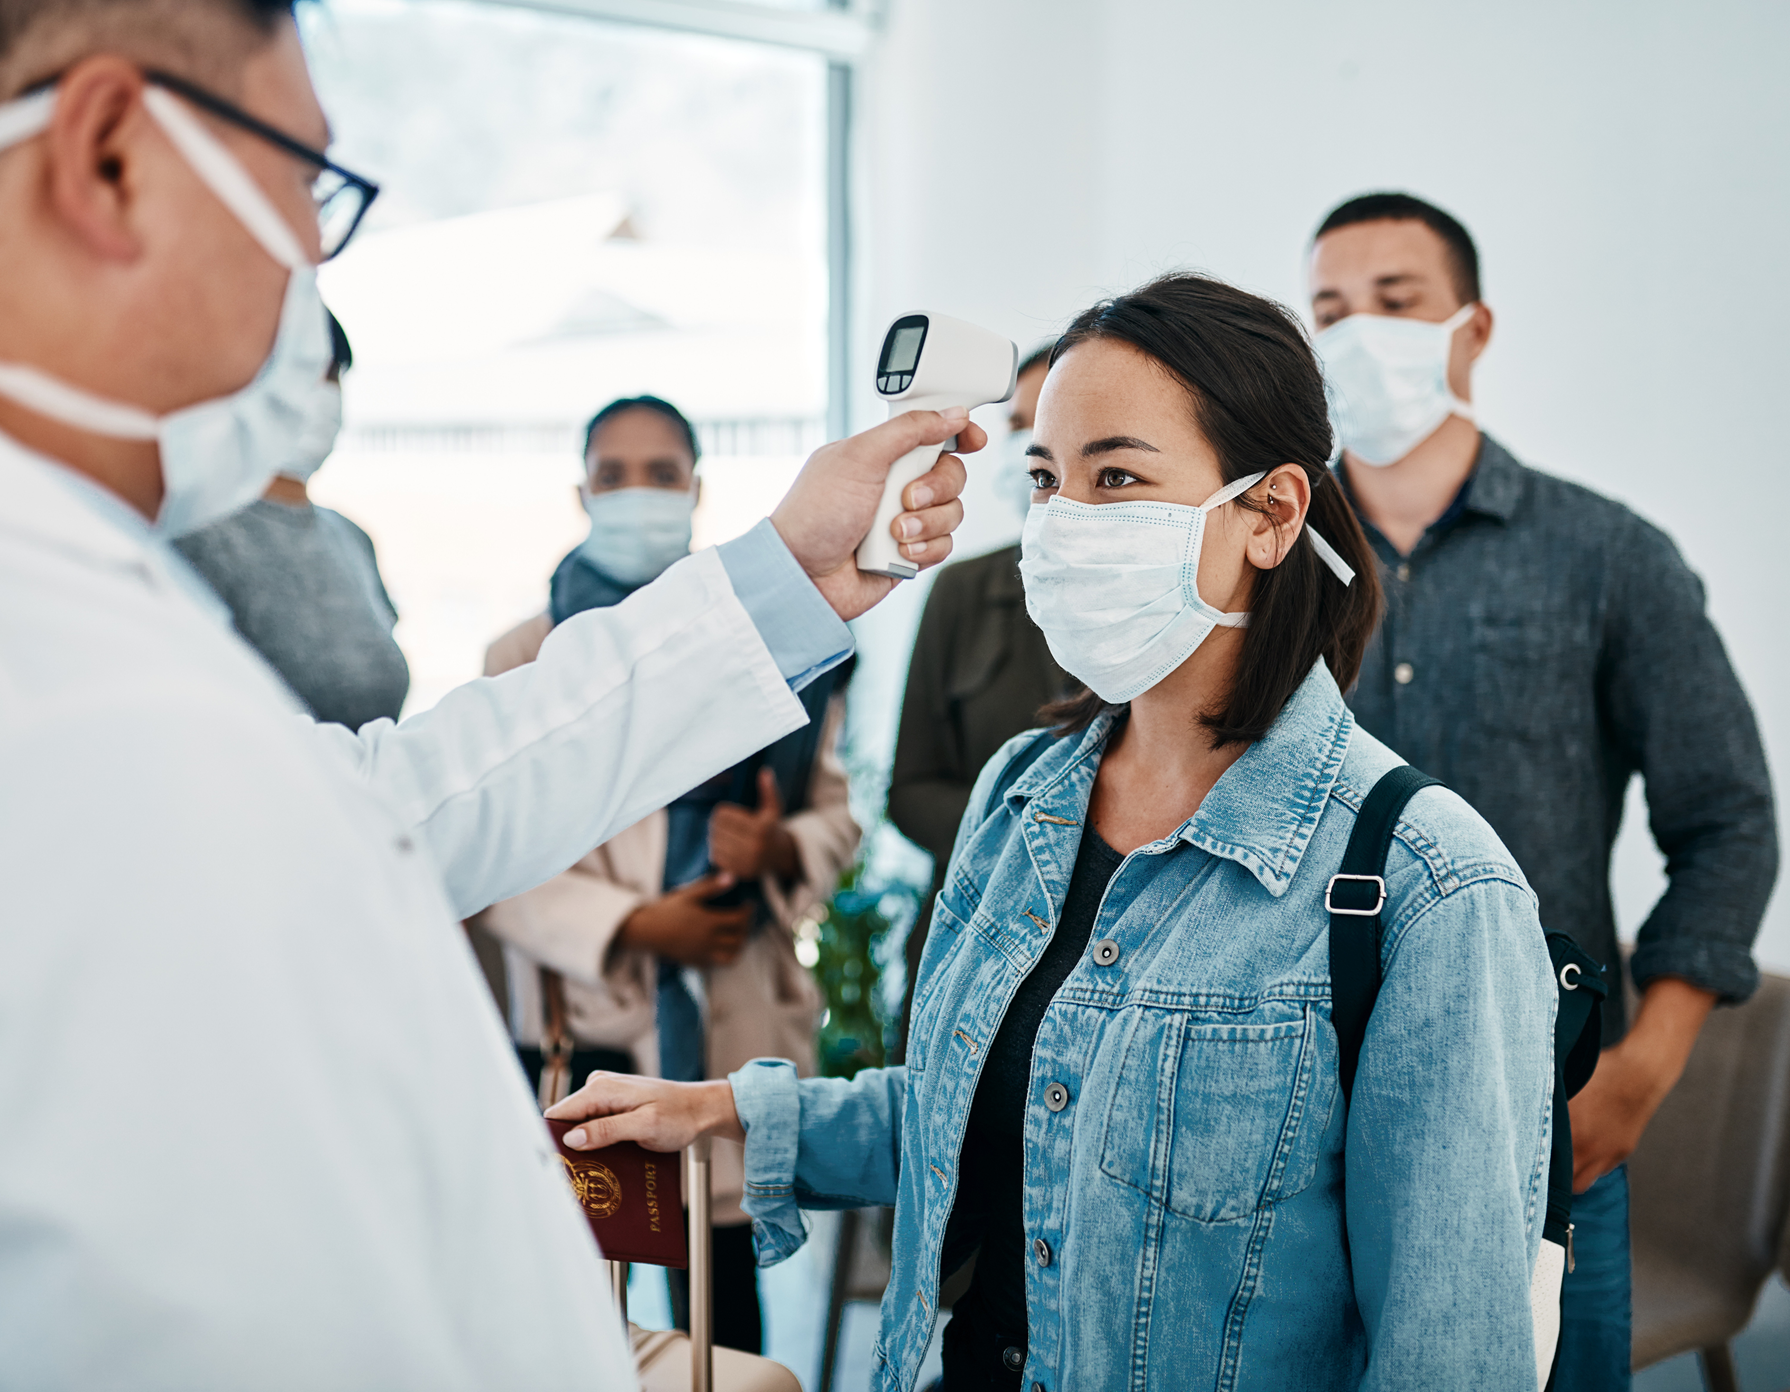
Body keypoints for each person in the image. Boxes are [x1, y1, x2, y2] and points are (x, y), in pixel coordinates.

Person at [0, 3, 980, 1385]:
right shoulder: (40, 709)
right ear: (111, 156)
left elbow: (388, 804)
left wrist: (780, 577)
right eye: (307, 183)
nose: (312, 252)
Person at [553, 275, 1561, 1390]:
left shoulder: (1427, 888)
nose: (1064, 525)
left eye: (1116, 478)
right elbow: (982, 1108)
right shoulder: (1021, 793)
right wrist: (722, 1112)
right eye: (1042, 479)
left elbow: (1448, 1351)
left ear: (1270, 514)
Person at [1307, 191, 1779, 1391]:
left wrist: (1636, 1076)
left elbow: (1725, 820)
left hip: (1544, 1128)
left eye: (1394, 302)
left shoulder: (1606, 555)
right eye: (1327, 311)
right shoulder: (1267, 554)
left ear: (1472, 328)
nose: (1358, 334)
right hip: (1293, 1121)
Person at [476, 395, 860, 1354]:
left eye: (661, 474)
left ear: (697, 489)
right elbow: (490, 849)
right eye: (614, 476)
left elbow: (836, 814)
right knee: (583, 1278)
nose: (639, 495)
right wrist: (635, 926)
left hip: (732, 1001)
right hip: (595, 1010)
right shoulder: (524, 655)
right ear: (581, 492)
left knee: (723, 1291)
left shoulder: (774, 648)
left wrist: (779, 853)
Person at [889, 342, 1067, 1051]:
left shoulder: (1150, 599)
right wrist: (1036, 845)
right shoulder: (964, 591)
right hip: (970, 948)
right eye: (1021, 423)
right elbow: (909, 789)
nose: (1031, 446)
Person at [173, 310, 412, 728]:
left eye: (333, 376)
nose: (323, 392)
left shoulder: (351, 537)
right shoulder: (199, 537)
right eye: (306, 372)